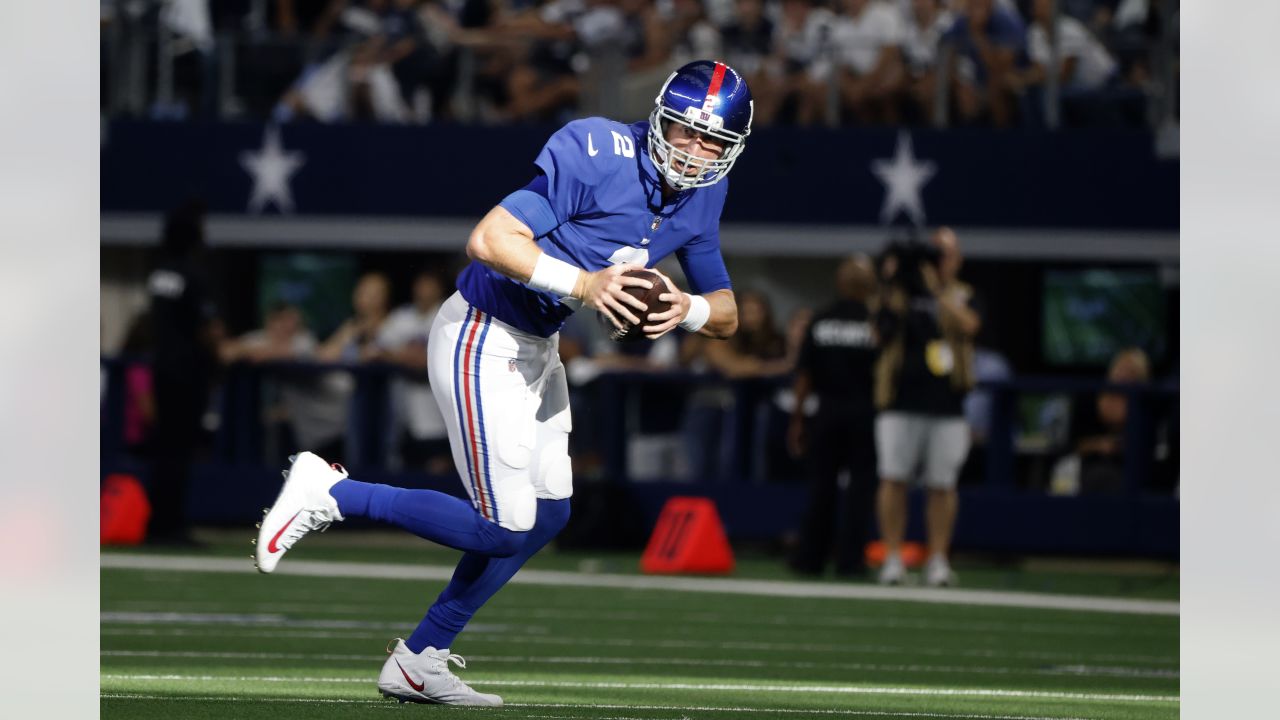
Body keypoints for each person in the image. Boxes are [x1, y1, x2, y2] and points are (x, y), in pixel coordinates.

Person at [254, 59, 752, 705]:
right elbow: (489, 239)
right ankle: (333, 492)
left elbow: (729, 313)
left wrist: (683, 308)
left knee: (549, 515)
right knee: (505, 524)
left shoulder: (704, 195)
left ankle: (419, 658)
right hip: (482, 331)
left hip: (536, 346)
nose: (694, 151)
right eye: (684, 132)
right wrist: (588, 284)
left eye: (711, 140)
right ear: (658, 119)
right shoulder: (599, 150)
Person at [873, 227, 980, 587]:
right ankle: (892, 557)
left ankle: (937, 559)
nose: (937, 262)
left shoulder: (963, 294)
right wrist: (896, 282)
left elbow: (970, 325)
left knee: (942, 484)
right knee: (893, 479)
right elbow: (879, 331)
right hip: (899, 400)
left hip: (947, 403)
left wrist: (936, 290)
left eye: (946, 255)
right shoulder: (899, 291)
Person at [787, 254, 879, 577]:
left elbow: (804, 375)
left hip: (826, 412)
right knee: (861, 491)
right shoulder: (877, 324)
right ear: (871, 286)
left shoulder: (821, 319)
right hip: (866, 414)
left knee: (821, 486)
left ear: (839, 284)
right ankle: (851, 562)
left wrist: (798, 418)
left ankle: (810, 558)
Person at [146, 200, 222, 545]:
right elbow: (207, 329)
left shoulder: (158, 272)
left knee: (164, 449)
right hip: (188, 373)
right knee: (179, 450)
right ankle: (171, 524)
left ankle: (156, 521)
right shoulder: (194, 274)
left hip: (162, 369)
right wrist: (221, 355)